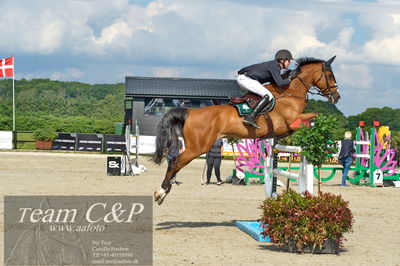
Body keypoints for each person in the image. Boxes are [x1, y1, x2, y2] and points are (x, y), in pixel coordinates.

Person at [237, 49, 296, 129]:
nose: (290, 63)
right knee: (268, 95)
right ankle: (250, 117)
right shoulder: (275, 67)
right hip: (246, 79)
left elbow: (274, 83)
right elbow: (281, 83)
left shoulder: (274, 65)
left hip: (245, 78)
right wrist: (290, 78)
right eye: (289, 61)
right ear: (283, 60)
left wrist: (286, 76)